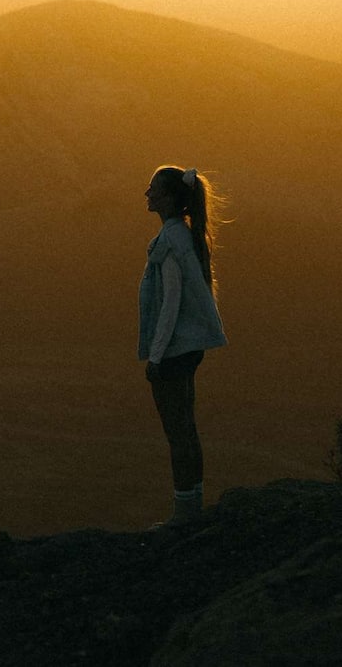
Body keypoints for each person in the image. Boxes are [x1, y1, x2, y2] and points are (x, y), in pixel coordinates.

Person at [139, 164, 227, 527]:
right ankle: (193, 506)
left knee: (177, 432)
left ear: (171, 199)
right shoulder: (184, 237)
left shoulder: (171, 242)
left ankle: (184, 513)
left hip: (175, 350)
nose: (147, 195)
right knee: (187, 429)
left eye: (154, 189)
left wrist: (155, 356)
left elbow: (170, 304)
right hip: (188, 348)